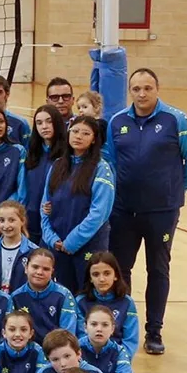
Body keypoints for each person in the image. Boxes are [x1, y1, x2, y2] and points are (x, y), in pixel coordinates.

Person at [104, 68, 187, 354]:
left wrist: (170, 191)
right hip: (124, 210)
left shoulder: (179, 121)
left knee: (158, 269)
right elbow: (111, 162)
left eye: (147, 88)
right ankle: (119, 328)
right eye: (136, 89)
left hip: (162, 213)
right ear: (130, 91)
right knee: (120, 270)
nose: (142, 94)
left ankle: (154, 331)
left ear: (157, 88)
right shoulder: (117, 122)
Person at [41, 114, 114, 291]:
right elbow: (45, 206)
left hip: (87, 246)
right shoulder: (57, 165)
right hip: (58, 245)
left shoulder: (101, 169)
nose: (78, 136)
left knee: (87, 295)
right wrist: (51, 238)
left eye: (85, 133)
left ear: (94, 139)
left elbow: (99, 214)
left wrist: (71, 242)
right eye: (75, 131)